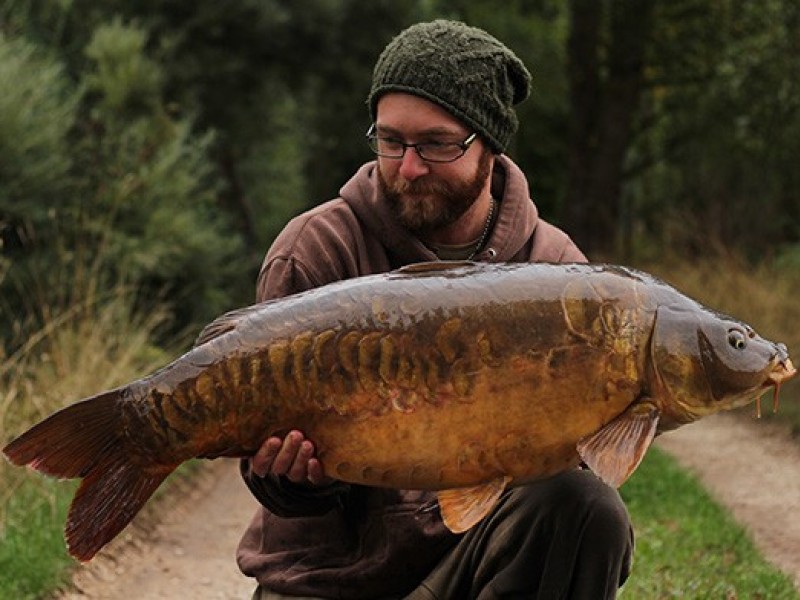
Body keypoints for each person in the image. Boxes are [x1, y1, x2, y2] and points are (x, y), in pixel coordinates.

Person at [237, 19, 634, 600]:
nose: (409, 165)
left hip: (467, 575)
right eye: (391, 140)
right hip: (327, 584)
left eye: (438, 143)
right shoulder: (316, 250)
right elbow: (267, 472)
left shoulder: (554, 272)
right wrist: (294, 480)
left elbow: (576, 466)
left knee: (589, 508)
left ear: (490, 144)